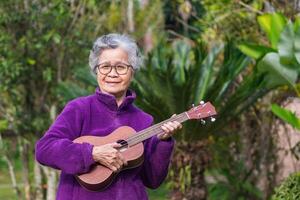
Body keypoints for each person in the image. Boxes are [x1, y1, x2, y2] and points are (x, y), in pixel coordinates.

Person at [35, 33, 182, 200]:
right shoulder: (79, 109)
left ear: (132, 71)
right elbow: (44, 149)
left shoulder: (144, 120)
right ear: (96, 70)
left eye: (121, 67)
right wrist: (92, 153)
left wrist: (163, 142)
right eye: (105, 66)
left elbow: (153, 180)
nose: (112, 74)